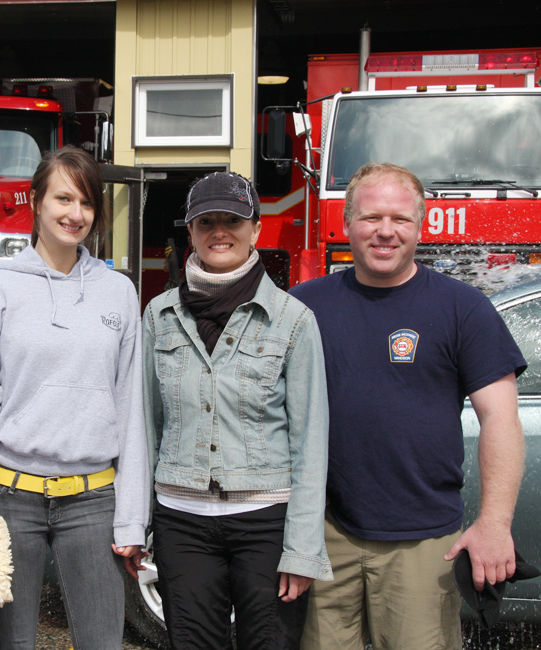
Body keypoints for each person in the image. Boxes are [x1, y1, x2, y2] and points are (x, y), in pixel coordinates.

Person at [289, 162, 526, 650]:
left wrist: (494, 524)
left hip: (423, 540)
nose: (385, 231)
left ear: (421, 225)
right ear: (346, 222)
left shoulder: (462, 308)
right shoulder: (302, 307)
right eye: (371, 217)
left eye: (400, 219)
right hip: (322, 535)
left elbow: (500, 418)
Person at [0, 146, 150, 650]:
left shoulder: (118, 292)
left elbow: (131, 410)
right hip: (10, 497)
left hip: (94, 500)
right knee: (12, 643)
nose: (75, 213)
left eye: (87, 202)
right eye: (63, 198)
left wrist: (132, 516)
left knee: (102, 642)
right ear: (36, 200)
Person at [142, 171, 332, 649]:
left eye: (232, 220)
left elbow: (311, 442)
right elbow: (145, 428)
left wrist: (302, 549)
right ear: (191, 232)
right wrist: (137, 523)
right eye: (206, 222)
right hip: (181, 521)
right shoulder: (159, 316)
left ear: (256, 230)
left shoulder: (293, 320)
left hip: (265, 522)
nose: (219, 232)